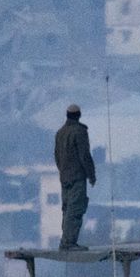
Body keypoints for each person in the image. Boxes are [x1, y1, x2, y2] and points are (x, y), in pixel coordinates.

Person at [54, 103, 97, 250]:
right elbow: (84, 156)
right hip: (77, 177)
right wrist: (91, 175)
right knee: (76, 209)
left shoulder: (60, 133)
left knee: (66, 209)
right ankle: (68, 242)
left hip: (64, 177)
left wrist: (63, 171)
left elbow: (57, 157)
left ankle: (65, 241)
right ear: (79, 116)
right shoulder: (80, 132)